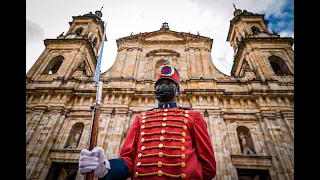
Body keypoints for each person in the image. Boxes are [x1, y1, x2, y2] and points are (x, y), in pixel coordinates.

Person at [79, 61, 216, 179]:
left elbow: (208, 167)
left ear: (177, 91)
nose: (164, 86)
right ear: (155, 90)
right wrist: (106, 167)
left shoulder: (193, 116)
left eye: (169, 83)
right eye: (160, 83)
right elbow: (128, 160)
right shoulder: (141, 118)